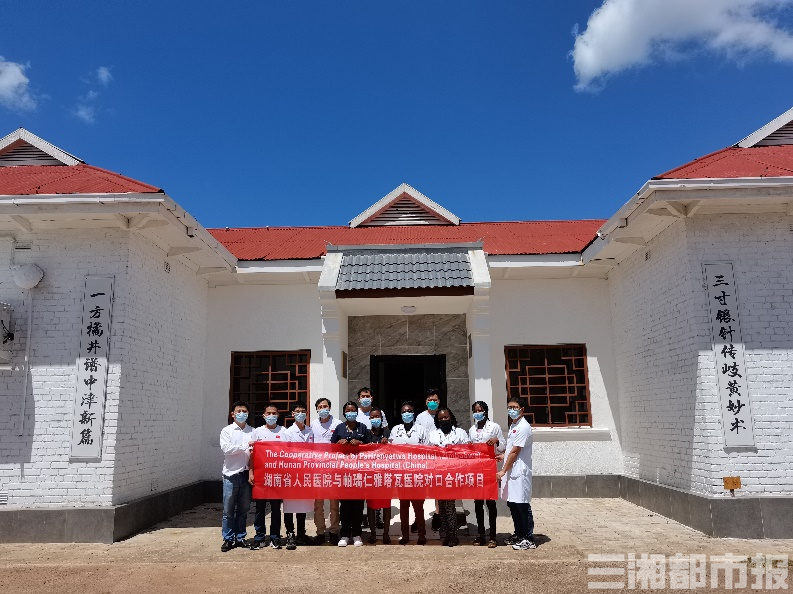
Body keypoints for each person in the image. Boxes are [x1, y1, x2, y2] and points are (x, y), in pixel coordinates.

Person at [331, 400, 373, 547]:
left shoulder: (363, 428)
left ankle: (356, 534)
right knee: (345, 505)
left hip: (359, 472)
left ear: (357, 412)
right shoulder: (339, 428)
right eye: (348, 410)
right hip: (343, 473)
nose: (350, 413)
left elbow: (370, 448)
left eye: (353, 410)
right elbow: (331, 448)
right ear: (344, 413)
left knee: (358, 504)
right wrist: (338, 444)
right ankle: (344, 534)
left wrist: (360, 444)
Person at [496, 396, 536, 550]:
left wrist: (502, 470)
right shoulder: (514, 425)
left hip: (519, 471)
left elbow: (515, 451)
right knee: (513, 503)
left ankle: (528, 538)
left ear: (522, 409)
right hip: (512, 471)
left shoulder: (523, 427)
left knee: (522, 505)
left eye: (514, 407)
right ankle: (519, 534)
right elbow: (510, 450)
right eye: (509, 407)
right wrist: (502, 456)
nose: (511, 410)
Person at [388, 400, 428, 545]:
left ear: (414, 413)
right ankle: (405, 535)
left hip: (417, 473)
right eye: (404, 411)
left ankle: (421, 535)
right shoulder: (395, 430)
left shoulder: (421, 430)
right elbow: (391, 450)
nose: (407, 414)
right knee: (404, 505)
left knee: (418, 506)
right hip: (402, 474)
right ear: (401, 414)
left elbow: (427, 451)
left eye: (409, 411)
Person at [428, 407, 470, 547]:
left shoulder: (460, 433)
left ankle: (453, 535)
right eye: (441, 418)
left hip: (454, 474)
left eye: (446, 417)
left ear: (451, 417)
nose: (444, 420)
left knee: (450, 505)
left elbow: (467, 451)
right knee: (441, 504)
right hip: (439, 473)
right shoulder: (433, 434)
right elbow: (428, 453)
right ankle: (445, 534)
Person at [248, 403, 286, 550]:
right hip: (261, 476)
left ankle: (275, 537)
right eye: (268, 413)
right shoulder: (257, 432)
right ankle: (259, 537)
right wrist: (251, 472)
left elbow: (289, 454)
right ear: (264, 416)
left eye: (274, 413)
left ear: (278, 415)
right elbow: (252, 454)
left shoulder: (284, 431)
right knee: (260, 509)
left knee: (276, 508)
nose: (271, 416)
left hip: (277, 476)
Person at [468, 401, 505, 548]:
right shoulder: (471, 429)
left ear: (486, 411)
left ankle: (493, 536)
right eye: (475, 410)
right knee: (478, 503)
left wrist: (496, 441)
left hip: (489, 469)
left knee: (490, 503)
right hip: (476, 469)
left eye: (480, 410)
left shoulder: (494, 427)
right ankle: (480, 534)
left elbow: (503, 445)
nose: (478, 412)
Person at [219, 400, 254, 552]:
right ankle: (228, 539)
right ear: (232, 414)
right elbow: (226, 449)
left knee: (244, 509)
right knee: (228, 510)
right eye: (238, 411)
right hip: (231, 475)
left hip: (246, 474)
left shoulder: (252, 431)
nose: (242, 414)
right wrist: (245, 446)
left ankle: (240, 537)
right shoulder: (227, 431)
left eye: (244, 411)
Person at [282, 401, 314, 550]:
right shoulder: (287, 432)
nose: (301, 413)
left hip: (305, 472)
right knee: (289, 505)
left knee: (302, 504)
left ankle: (301, 533)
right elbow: (285, 453)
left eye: (303, 411)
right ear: (293, 414)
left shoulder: (310, 431)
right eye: (298, 411)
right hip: (291, 472)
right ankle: (290, 533)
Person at [310, 397, 341, 545]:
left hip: (334, 469)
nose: (323, 409)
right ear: (317, 409)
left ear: (330, 407)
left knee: (334, 504)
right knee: (318, 504)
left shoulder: (338, 424)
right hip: (317, 469)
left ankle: (334, 531)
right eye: (320, 406)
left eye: (326, 406)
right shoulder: (313, 425)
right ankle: (320, 532)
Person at [415, 388, 442, 530]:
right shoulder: (420, 417)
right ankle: (419, 517)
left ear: (439, 401)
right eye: (430, 400)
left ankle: (437, 515)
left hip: (439, 458)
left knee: (437, 486)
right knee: (422, 486)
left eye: (435, 400)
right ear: (426, 402)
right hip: (424, 457)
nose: (432, 402)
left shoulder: (443, 415)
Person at [365, 407, 392, 544]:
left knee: (386, 505)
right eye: (373, 417)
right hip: (371, 474)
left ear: (382, 418)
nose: (375, 419)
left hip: (385, 474)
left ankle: (386, 534)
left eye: (378, 416)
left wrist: (387, 444)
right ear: (369, 419)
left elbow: (394, 450)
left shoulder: (387, 432)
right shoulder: (367, 433)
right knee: (371, 505)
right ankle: (373, 534)